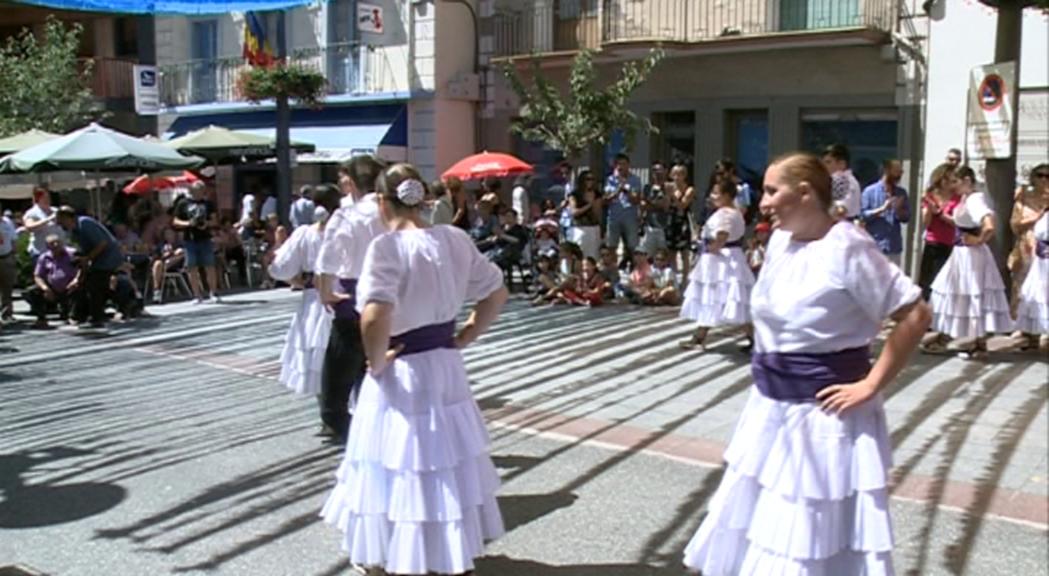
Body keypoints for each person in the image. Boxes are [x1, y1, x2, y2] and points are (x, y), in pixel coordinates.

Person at [682, 152, 931, 575]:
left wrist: (870, 384)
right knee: (760, 532)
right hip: (769, 412)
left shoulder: (848, 246)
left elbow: (915, 314)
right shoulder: (781, 241)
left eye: (771, 191)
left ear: (804, 193)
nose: (762, 202)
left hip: (823, 418)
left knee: (806, 541)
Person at [321, 163, 508, 576]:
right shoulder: (454, 239)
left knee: (398, 459)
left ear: (383, 202)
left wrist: (374, 360)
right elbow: (497, 292)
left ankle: (395, 554)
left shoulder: (386, 247)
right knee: (442, 458)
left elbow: (374, 315)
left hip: (402, 364)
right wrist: (467, 334)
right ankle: (443, 554)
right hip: (445, 362)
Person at [316, 154, 387, 443]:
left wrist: (325, 292)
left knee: (340, 364)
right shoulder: (390, 211)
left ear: (352, 181)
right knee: (381, 359)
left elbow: (326, 260)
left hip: (353, 292)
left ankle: (339, 420)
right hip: (390, 293)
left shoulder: (348, 215)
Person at [923, 166, 1013, 359]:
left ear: (966, 180)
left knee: (969, 293)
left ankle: (973, 341)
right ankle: (957, 337)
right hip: (962, 253)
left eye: (956, 182)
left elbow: (988, 223)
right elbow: (961, 222)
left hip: (971, 255)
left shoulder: (974, 199)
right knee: (956, 292)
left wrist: (978, 239)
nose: (953, 186)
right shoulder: (966, 199)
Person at [269, 185, 342, 398]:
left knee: (316, 354)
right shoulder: (347, 232)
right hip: (344, 295)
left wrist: (293, 276)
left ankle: (327, 413)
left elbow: (281, 269)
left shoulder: (305, 233)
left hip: (314, 299)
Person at [679, 178, 756, 351]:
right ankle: (700, 336)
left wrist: (708, 247)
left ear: (727, 195)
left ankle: (701, 337)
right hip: (730, 258)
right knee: (723, 299)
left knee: (718, 297)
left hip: (722, 260)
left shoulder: (725, 214)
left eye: (716, 193)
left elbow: (722, 235)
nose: (712, 196)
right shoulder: (735, 212)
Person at [55, 206, 123, 328]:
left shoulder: (85, 224)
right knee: (85, 284)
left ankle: (97, 317)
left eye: (62, 221)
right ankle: (83, 314)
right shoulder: (75, 231)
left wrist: (88, 258)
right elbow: (83, 250)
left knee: (95, 285)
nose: (61, 226)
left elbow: (102, 243)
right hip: (96, 259)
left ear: (67, 218)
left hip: (108, 258)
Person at [1008, 163, 1049, 316]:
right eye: (1040, 175)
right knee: (1022, 285)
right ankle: (1020, 322)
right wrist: (1036, 217)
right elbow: (1015, 225)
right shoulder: (1023, 198)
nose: (1044, 179)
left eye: (1048, 176)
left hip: (1046, 248)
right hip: (1026, 246)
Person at [172, 181, 222, 304]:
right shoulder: (183, 203)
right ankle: (196, 295)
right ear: (192, 191)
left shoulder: (208, 204)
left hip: (205, 238)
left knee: (209, 265)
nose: (199, 193)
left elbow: (215, 221)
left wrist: (206, 224)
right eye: (197, 191)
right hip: (190, 239)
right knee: (191, 267)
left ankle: (213, 292)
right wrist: (189, 223)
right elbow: (175, 221)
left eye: (201, 191)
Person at [918, 163, 962, 302]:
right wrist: (928, 209)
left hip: (950, 243)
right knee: (928, 280)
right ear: (942, 180)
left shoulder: (958, 198)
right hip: (933, 242)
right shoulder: (931, 196)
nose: (954, 183)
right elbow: (925, 222)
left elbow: (957, 221)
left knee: (945, 281)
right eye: (951, 180)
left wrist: (939, 213)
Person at [1014, 179, 1049, 351]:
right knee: (1034, 296)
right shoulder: (1043, 215)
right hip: (1040, 261)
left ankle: (1044, 335)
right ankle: (1033, 333)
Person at [861, 159, 910, 267]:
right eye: (897, 171)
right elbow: (863, 216)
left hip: (894, 246)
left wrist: (898, 209)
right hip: (875, 244)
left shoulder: (901, 193)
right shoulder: (870, 191)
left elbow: (906, 218)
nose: (899, 175)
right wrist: (881, 209)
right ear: (886, 171)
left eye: (901, 172)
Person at [26, 235, 81, 329]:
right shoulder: (44, 257)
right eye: (52, 243)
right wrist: (45, 288)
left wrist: (76, 279)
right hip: (52, 289)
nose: (55, 245)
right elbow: (38, 276)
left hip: (70, 286)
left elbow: (82, 267)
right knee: (33, 291)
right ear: (47, 246)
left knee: (79, 289)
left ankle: (73, 317)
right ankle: (41, 319)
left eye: (58, 242)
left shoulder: (72, 254)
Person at [604, 153, 642, 269]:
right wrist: (617, 191)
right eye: (618, 164)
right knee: (612, 245)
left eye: (623, 164)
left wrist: (626, 190)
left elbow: (636, 200)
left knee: (632, 246)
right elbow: (606, 200)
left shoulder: (635, 180)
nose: (621, 167)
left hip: (630, 216)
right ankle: (613, 270)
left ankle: (634, 270)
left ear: (628, 165)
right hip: (614, 217)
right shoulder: (610, 180)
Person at [22, 187, 65, 267]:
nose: (48, 200)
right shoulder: (32, 213)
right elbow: (29, 227)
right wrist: (49, 219)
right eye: (45, 198)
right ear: (38, 199)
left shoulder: (55, 210)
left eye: (48, 197)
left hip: (58, 251)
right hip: (41, 251)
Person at [666, 163, 695, 278]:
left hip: (682, 221)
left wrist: (672, 196)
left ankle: (684, 280)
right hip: (670, 221)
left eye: (680, 174)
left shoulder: (689, 189)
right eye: (675, 174)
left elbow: (682, 205)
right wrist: (667, 197)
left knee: (684, 253)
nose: (677, 177)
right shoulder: (669, 187)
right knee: (671, 253)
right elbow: (666, 206)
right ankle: (674, 279)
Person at [821, 143, 862, 221]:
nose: (824, 166)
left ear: (842, 164)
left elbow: (840, 210)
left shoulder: (844, 181)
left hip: (842, 226)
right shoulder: (839, 180)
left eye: (828, 162)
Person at [568, 170, 602, 260]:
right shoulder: (574, 195)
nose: (590, 182)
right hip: (579, 227)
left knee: (593, 255)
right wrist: (589, 205)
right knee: (578, 254)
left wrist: (595, 203)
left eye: (592, 179)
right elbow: (574, 212)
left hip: (593, 227)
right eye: (588, 179)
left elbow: (597, 214)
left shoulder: (597, 195)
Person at [641, 161, 670, 257]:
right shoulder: (647, 188)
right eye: (654, 170)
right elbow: (643, 205)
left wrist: (650, 204)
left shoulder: (668, 187)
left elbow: (665, 206)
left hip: (665, 227)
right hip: (649, 227)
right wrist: (656, 205)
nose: (657, 173)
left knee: (665, 256)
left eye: (659, 170)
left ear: (665, 171)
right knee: (647, 256)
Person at [150, 228, 184, 303]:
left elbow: (183, 252)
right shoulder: (161, 245)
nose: (169, 236)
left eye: (170, 233)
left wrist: (173, 252)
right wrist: (165, 255)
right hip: (163, 264)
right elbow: (156, 256)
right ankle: (156, 290)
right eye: (166, 234)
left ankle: (157, 290)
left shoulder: (179, 243)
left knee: (180, 253)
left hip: (176, 264)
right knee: (157, 263)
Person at [0, 210, 16, 323]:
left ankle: (7, 314)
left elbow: (13, 239)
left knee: (7, 288)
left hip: (6, 257)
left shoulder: (7, 222)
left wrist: (14, 255)